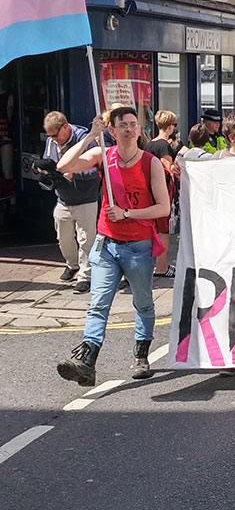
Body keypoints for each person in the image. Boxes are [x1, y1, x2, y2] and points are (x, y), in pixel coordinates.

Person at [55, 106, 170, 386]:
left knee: (142, 303)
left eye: (134, 124)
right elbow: (63, 166)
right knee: (97, 305)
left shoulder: (150, 163)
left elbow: (163, 207)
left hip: (139, 245)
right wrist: (89, 136)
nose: (130, 129)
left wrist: (128, 213)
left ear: (139, 130)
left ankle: (141, 356)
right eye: (124, 125)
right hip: (107, 244)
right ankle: (87, 361)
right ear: (112, 130)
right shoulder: (103, 157)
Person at [41, 111, 102, 294]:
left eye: (55, 135)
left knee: (86, 240)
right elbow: (50, 162)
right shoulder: (51, 141)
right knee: (63, 236)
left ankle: (85, 277)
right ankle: (72, 264)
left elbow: (97, 172)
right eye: (49, 135)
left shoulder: (86, 140)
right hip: (63, 198)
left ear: (66, 127)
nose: (52, 139)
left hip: (85, 199)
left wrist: (74, 173)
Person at [144, 110, 178, 278]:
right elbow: (167, 170)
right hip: (164, 191)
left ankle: (154, 264)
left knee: (153, 228)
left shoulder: (150, 144)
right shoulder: (164, 145)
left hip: (150, 191)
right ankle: (162, 266)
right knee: (164, 230)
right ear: (170, 126)